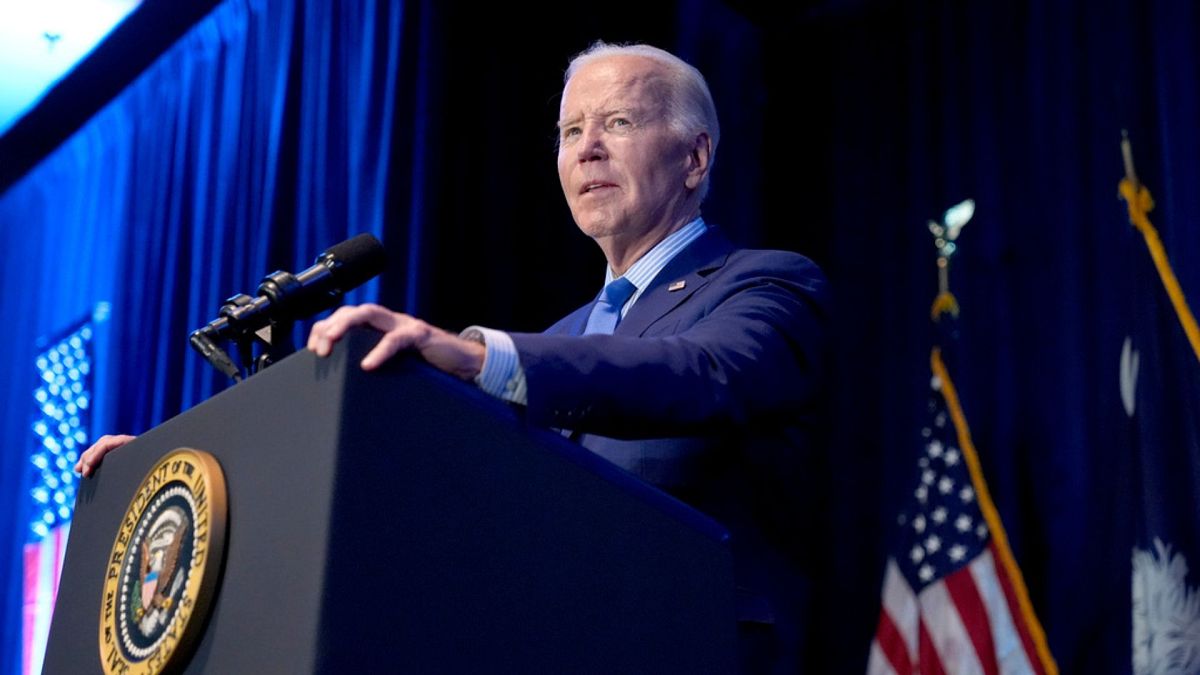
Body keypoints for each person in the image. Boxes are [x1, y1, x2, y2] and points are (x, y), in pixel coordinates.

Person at [78, 42, 830, 673]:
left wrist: (476, 357)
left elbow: (703, 372)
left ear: (695, 157)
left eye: (618, 122)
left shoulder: (768, 285)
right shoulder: (564, 334)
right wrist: (188, 476)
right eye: (570, 131)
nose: (586, 149)